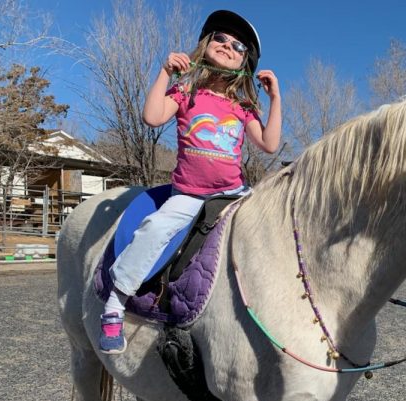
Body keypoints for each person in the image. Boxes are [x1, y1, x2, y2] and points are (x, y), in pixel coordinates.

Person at [99, 10, 281, 354]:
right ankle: (115, 302)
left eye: (238, 46)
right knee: (155, 228)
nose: (228, 46)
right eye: (221, 39)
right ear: (206, 44)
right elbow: (152, 117)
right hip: (191, 195)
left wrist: (275, 99)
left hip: (234, 194)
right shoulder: (186, 91)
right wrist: (165, 73)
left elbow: (269, 144)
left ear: (246, 62)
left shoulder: (242, 104)